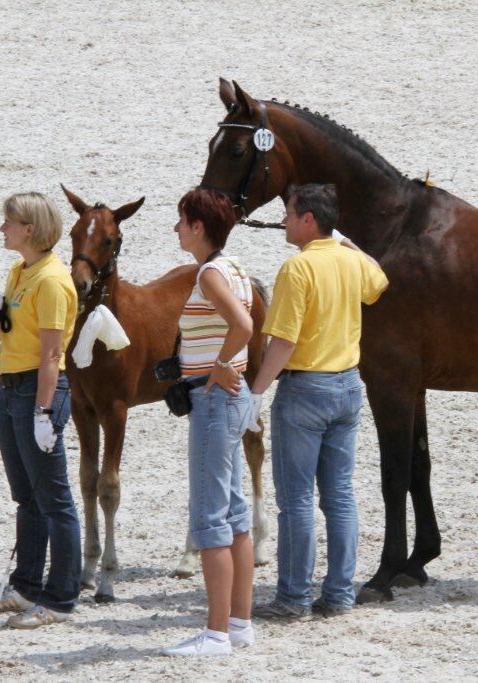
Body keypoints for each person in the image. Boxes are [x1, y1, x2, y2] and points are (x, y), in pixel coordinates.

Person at [249, 183, 388, 619]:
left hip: (305, 389)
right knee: (340, 496)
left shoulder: (297, 269)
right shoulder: (349, 260)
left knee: (296, 501)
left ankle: (292, 598)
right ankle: (340, 594)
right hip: (347, 385)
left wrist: (255, 394)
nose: (285, 222)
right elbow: (379, 281)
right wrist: (349, 244)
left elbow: (284, 341)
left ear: (308, 219)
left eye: (290, 214)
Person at [0, 192, 81, 628]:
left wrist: (43, 412)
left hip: (37, 391)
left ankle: (60, 596)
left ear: (30, 228)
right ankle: (27, 584)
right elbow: (20, 334)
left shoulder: (52, 280)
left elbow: (52, 354)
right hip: (10, 386)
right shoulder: (20, 271)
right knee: (27, 495)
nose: (3, 229)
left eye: (9, 222)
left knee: (54, 498)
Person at [161, 188, 257, 657]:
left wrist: (220, 362)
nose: (177, 229)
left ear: (198, 227)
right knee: (236, 514)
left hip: (214, 398)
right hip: (230, 399)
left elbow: (242, 326)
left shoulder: (210, 273)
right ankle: (239, 622)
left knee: (210, 516)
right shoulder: (235, 268)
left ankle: (216, 632)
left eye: (182, 221)